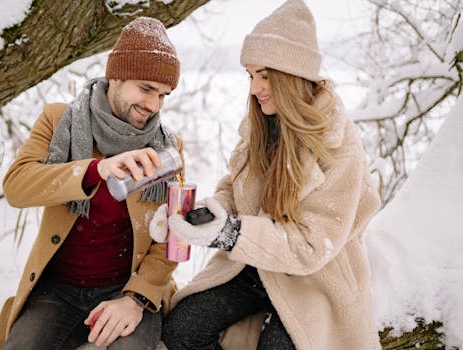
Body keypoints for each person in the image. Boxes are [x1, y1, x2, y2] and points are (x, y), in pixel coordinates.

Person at [149, 1, 382, 349]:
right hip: (253, 267)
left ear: (293, 77)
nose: (255, 88)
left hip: (314, 278)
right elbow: (234, 189)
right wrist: (199, 218)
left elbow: (313, 247)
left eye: (266, 76)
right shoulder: (258, 128)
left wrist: (231, 233)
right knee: (182, 328)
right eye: (252, 76)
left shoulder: (338, 146)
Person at [0, 17, 183, 350]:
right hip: (57, 291)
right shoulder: (59, 122)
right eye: (146, 89)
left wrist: (135, 298)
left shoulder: (166, 147)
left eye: (163, 95)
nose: (154, 106)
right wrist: (95, 170)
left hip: (127, 288)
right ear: (116, 76)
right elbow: (17, 186)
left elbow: (174, 236)